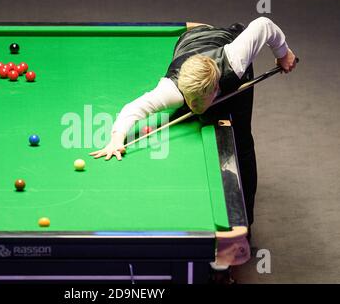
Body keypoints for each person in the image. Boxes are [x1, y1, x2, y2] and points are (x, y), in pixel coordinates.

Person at [89, 17, 297, 282]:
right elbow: (133, 110)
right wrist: (116, 139)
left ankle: (244, 229)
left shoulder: (235, 59)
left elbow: (264, 25)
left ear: (214, 88)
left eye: (200, 99)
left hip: (224, 44)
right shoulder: (171, 89)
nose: (193, 104)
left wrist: (284, 53)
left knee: (241, 139)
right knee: (194, 112)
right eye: (190, 100)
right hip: (190, 42)